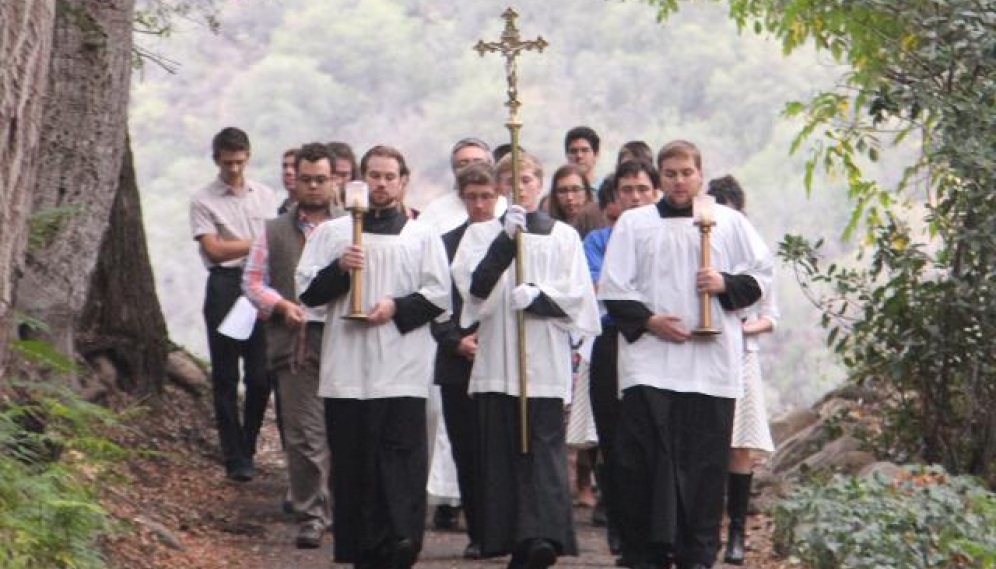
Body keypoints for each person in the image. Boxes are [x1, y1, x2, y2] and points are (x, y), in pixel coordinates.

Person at [597, 140, 773, 569]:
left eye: (686, 173)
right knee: (643, 462)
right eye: (670, 174)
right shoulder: (636, 224)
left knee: (705, 467)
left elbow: (762, 277)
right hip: (650, 363)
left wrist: (724, 284)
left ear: (699, 174)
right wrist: (651, 321)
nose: (678, 181)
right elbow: (614, 289)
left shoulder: (728, 223)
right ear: (660, 177)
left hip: (710, 365)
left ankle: (697, 553)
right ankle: (646, 552)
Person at [296, 145, 451, 569]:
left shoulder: (421, 236)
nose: (381, 184)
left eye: (389, 176)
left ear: (403, 182)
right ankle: (360, 548)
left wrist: (396, 308)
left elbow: (439, 297)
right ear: (358, 183)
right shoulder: (332, 234)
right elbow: (307, 292)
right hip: (348, 368)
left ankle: (401, 541)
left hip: (401, 367)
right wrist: (340, 270)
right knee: (354, 462)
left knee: (399, 461)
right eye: (374, 176)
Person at [452, 152, 601, 569]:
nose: (522, 188)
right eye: (512, 182)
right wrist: (503, 243)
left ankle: (545, 535)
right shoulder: (481, 235)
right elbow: (472, 294)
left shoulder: (563, 237)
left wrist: (540, 297)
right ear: (501, 188)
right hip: (500, 359)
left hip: (544, 360)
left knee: (543, 450)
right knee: (504, 452)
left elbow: (579, 302)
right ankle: (511, 535)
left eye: (529, 180)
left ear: (540, 185)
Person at [242, 143, 343, 548]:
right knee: (304, 433)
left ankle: (345, 507)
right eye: (307, 179)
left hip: (345, 341)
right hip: (295, 341)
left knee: (344, 429)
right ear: (294, 180)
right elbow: (251, 282)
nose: (314, 187)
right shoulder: (273, 230)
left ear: (334, 181)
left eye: (321, 179)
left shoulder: (352, 226)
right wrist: (280, 304)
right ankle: (312, 514)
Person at [189, 126, 276, 482]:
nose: (235, 170)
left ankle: (249, 442)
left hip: (259, 284)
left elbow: (273, 242)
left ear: (248, 158)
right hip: (225, 284)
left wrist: (239, 244)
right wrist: (256, 243)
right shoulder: (203, 200)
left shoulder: (265, 196)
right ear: (217, 161)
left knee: (259, 375)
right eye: (228, 164)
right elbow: (213, 249)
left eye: (240, 162)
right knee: (225, 375)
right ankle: (233, 454)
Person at [583, 159, 659, 563]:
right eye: (626, 190)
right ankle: (621, 526)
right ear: (614, 200)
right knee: (615, 442)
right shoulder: (599, 240)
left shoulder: (668, 234)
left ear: (655, 192)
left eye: (642, 189)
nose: (634, 197)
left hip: (658, 344)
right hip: (613, 340)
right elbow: (597, 291)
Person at [430, 162, 501, 560]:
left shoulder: (511, 240)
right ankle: (478, 530)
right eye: (472, 197)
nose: (479, 204)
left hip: (502, 359)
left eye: (486, 196)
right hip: (458, 362)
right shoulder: (445, 244)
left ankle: (502, 527)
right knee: (468, 451)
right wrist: (455, 340)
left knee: (499, 450)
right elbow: (437, 301)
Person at [706, 175, 778, 566]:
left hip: (743, 354)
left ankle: (736, 533)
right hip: (705, 355)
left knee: (739, 446)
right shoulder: (702, 252)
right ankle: (708, 528)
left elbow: (771, 316)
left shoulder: (757, 256)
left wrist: (741, 326)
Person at [418, 137, 496, 235]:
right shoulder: (434, 211)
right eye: (463, 164)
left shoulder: (506, 207)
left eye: (478, 162)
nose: (471, 169)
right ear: (453, 170)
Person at [547, 163, 602, 238]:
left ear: (586, 191)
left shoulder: (601, 227)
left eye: (576, 189)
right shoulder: (548, 229)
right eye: (562, 191)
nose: (569, 197)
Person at [279, 147, 299, 214]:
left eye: (294, 166)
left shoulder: (320, 211)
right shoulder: (275, 214)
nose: (288, 171)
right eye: (285, 166)